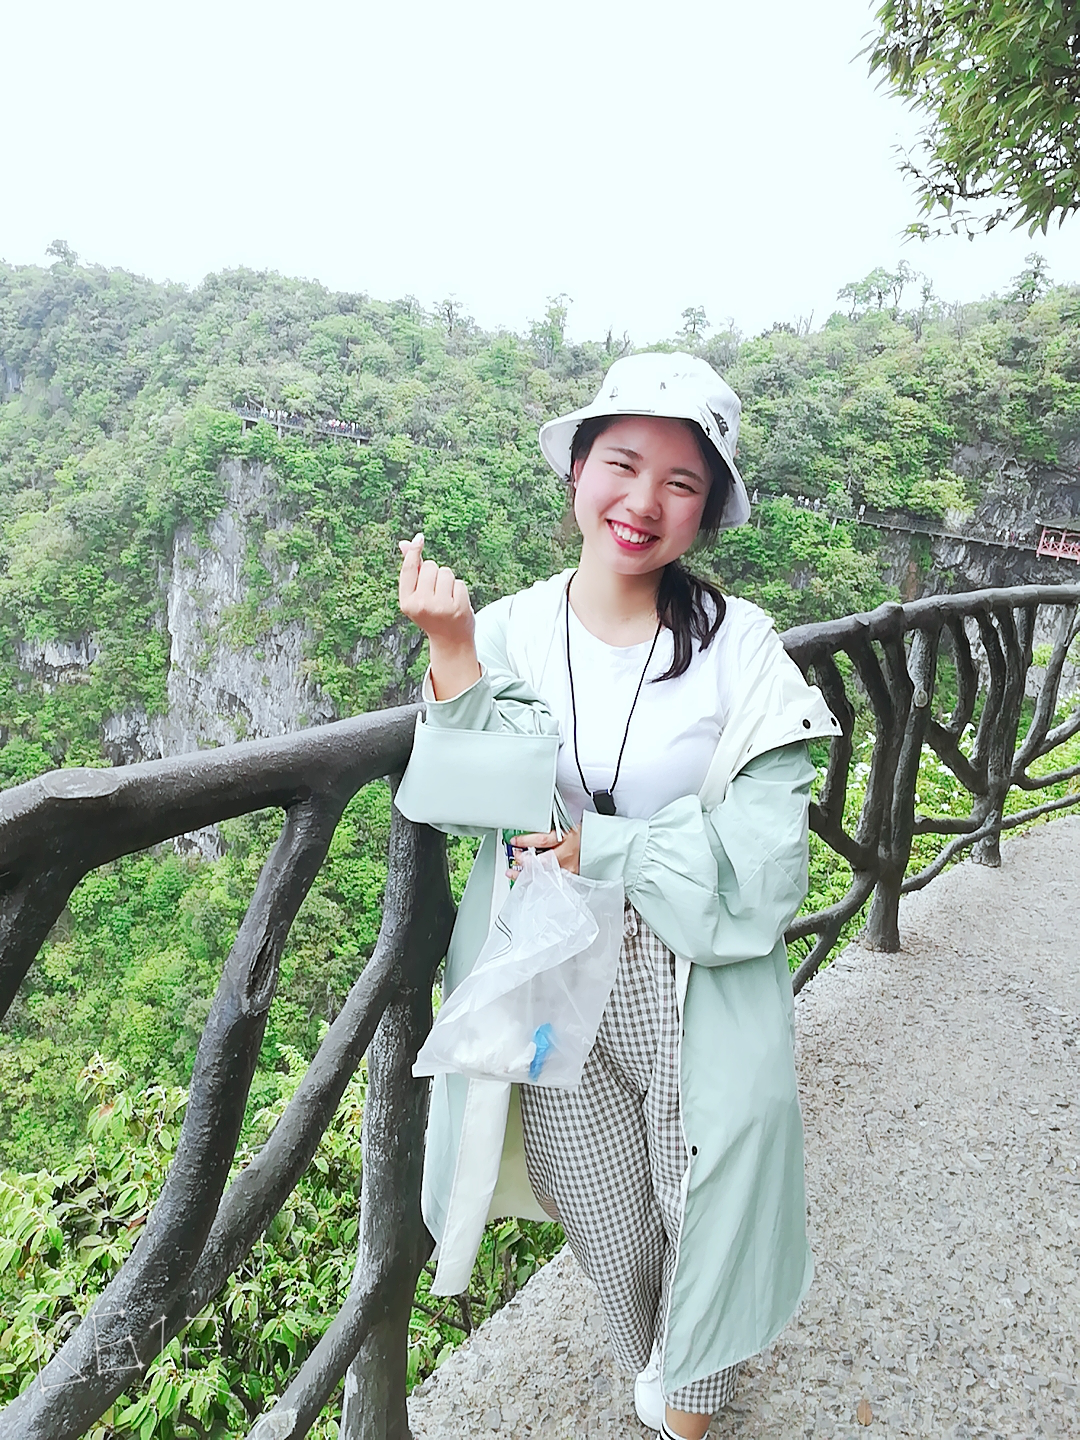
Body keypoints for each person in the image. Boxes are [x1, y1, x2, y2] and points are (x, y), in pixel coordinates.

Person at [395, 352, 839, 1439]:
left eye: (681, 482)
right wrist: (451, 649)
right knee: (592, 1191)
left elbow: (768, 859)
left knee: (708, 1186)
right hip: (551, 956)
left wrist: (612, 845)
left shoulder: (741, 648)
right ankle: (653, 1348)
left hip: (690, 966)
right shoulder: (510, 629)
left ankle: (691, 1393)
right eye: (623, 465)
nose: (644, 501)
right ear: (578, 472)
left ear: (707, 510)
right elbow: (470, 805)